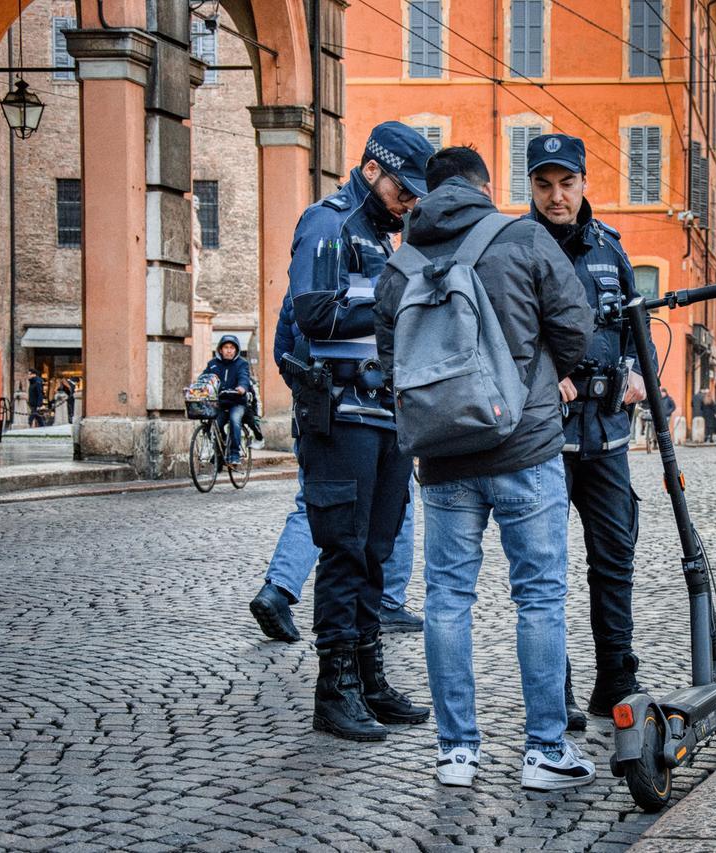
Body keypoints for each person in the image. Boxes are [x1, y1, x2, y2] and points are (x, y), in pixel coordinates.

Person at [374, 145, 594, 789]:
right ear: (484, 186)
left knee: (446, 600)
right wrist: (541, 379)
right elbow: (576, 327)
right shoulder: (521, 237)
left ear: (428, 190)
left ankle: (457, 753)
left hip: (442, 459)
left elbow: (393, 367)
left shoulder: (401, 263)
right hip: (524, 448)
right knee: (540, 598)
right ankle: (544, 752)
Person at [257, 122, 435, 741]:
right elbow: (312, 311)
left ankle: (368, 678)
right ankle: (334, 691)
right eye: (403, 190)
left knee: (376, 551)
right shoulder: (327, 223)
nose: (409, 202)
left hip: (385, 413)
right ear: (370, 170)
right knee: (343, 548)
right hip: (340, 412)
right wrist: (398, 296)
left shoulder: (386, 239)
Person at [524, 133, 657, 730]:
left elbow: (636, 327)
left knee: (613, 557)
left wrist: (637, 374)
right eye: (544, 184)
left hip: (607, 435)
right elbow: (501, 330)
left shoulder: (610, 249)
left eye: (566, 183)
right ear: (530, 187)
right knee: (545, 568)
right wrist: (544, 376)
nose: (556, 196)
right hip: (544, 439)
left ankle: (616, 678)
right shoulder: (516, 246)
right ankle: (558, 689)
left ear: (583, 184)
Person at [200, 334, 252, 467]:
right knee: (215, 424)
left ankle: (234, 453)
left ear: (236, 350)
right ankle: (219, 450)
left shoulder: (242, 363)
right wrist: (198, 386)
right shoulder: (213, 364)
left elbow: (244, 377)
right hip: (221, 403)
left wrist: (242, 387)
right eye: (226, 347)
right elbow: (204, 378)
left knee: (235, 420)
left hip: (237, 402)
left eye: (232, 348)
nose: (229, 350)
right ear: (220, 350)